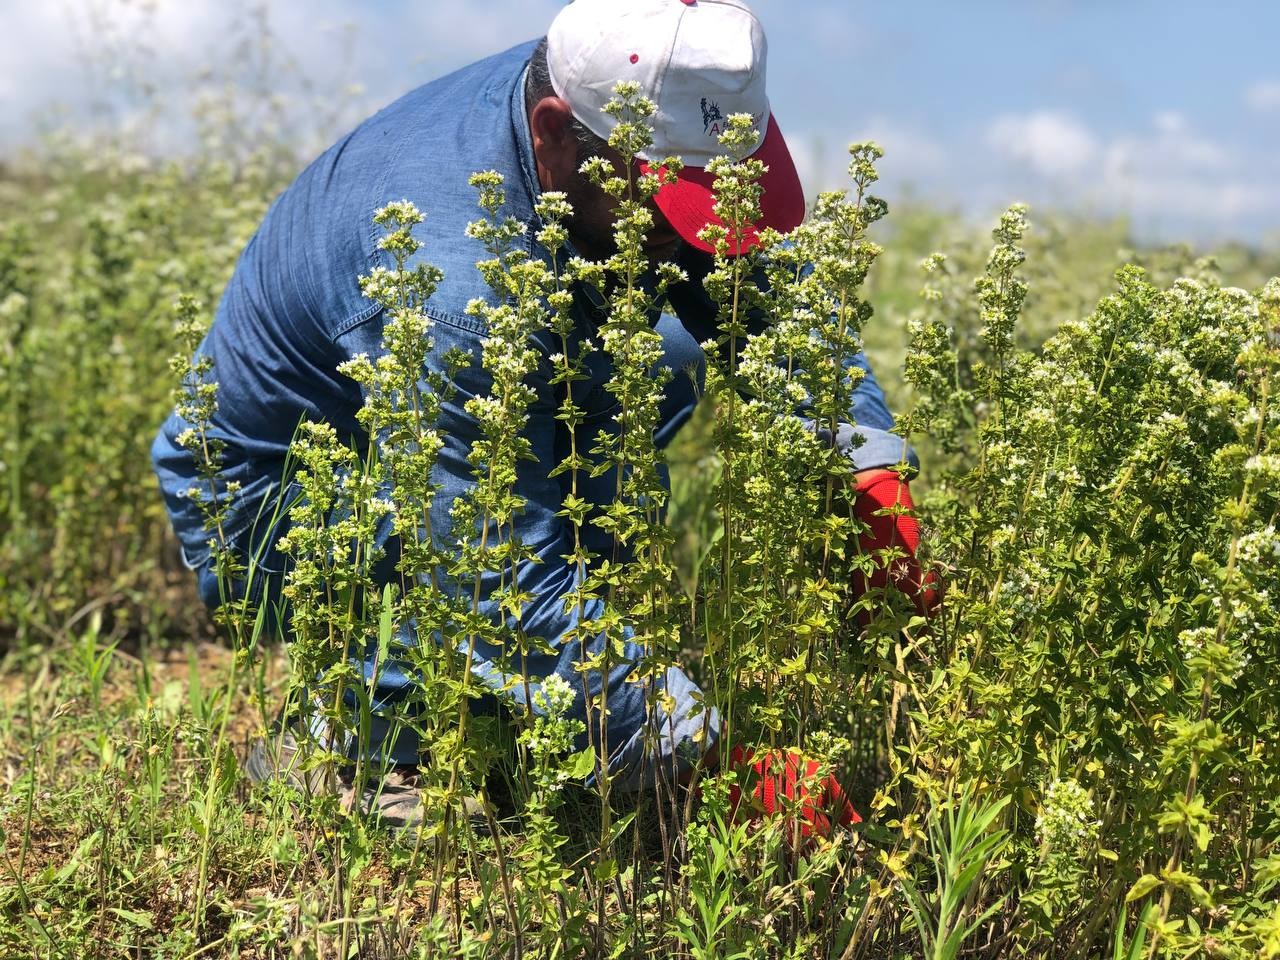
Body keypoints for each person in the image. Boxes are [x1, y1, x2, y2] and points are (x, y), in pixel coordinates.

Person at [152, 0, 933, 833]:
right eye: (672, 200)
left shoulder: (611, 93)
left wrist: (866, 472)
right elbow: (499, 575)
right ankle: (355, 743)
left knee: (659, 358)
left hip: (470, 401)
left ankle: (570, 688)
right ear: (554, 133)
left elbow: (765, 289)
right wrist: (704, 758)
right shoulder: (457, 290)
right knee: (479, 616)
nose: (697, 228)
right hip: (280, 494)